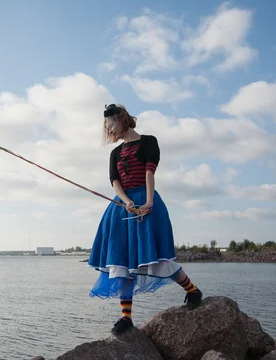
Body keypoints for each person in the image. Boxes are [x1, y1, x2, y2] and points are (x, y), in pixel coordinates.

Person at [87, 103, 203, 335]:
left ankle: (192, 290)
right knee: (122, 262)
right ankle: (126, 318)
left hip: (147, 202)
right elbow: (114, 181)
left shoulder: (149, 141)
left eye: (111, 126)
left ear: (122, 119)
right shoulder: (115, 153)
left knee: (157, 256)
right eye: (107, 128)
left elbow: (149, 172)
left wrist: (148, 202)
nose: (110, 131)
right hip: (122, 208)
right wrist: (126, 202)